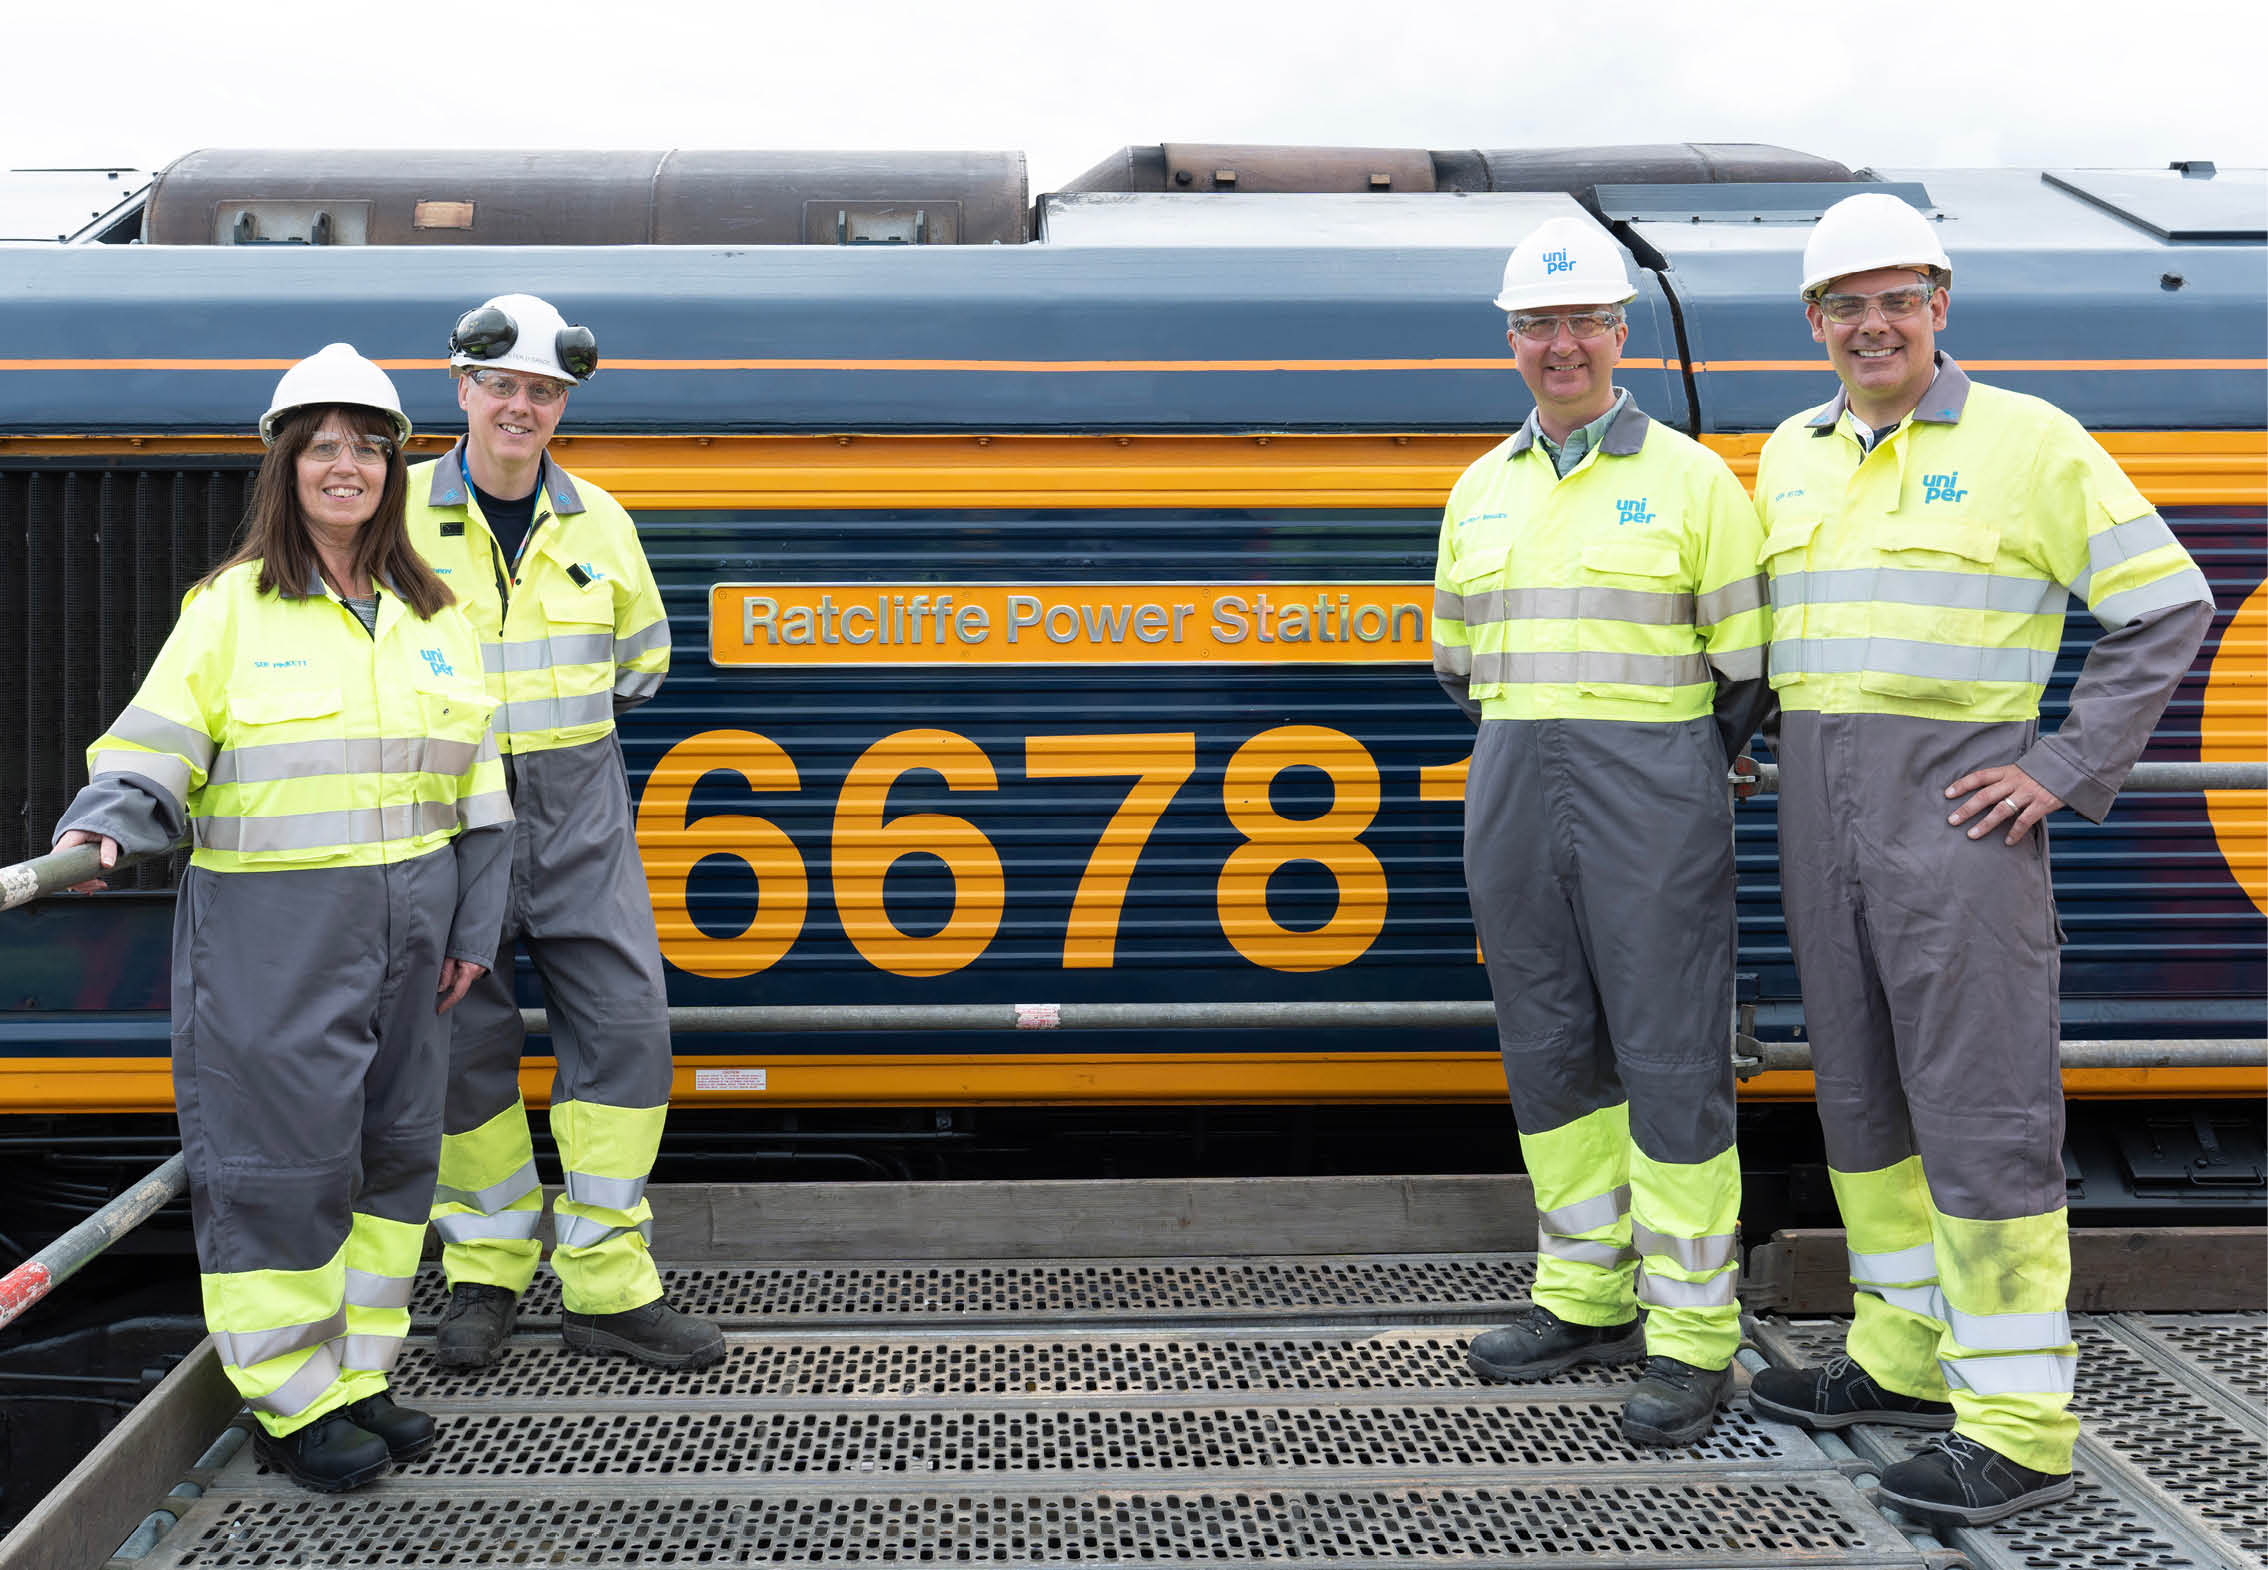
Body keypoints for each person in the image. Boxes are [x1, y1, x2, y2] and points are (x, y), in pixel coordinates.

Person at [1743, 193, 2215, 1529]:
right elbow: (1789, 630)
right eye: (1847, 303)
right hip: (1818, 814)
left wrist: (2062, 764)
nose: (1872, 323)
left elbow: (2166, 601)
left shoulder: (2030, 441)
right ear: (1815, 322)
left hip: (1955, 822)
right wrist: (1738, 729)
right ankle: (1901, 1354)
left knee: (1982, 1111)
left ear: (1940, 304)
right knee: (1864, 1099)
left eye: (1899, 297)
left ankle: (2017, 1420)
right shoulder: (1790, 453)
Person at [52, 345, 512, 1492]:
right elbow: (156, 742)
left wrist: (470, 931)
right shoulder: (233, 607)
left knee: (396, 1156)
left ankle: (358, 1375)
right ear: (287, 466)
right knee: (282, 1166)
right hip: (276, 934)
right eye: (323, 447)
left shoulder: (435, 616)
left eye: (367, 446)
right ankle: (286, 1401)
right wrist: (103, 826)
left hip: (414, 934)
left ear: (395, 468)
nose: (346, 466)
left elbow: (484, 799)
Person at [1436, 217, 1771, 1445]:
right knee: (1550, 1048)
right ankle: (1582, 1296)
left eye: (1582, 321)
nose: (1560, 344)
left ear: (1620, 332)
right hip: (1516, 777)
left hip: (1656, 791)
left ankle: (1691, 1339)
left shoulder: (1690, 480)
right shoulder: (1479, 488)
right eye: (1538, 324)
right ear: (1511, 341)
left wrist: (1675, 761)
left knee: (1674, 1060)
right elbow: (1459, 664)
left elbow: (1747, 666)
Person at [404, 293, 719, 1371]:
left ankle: (606, 1289)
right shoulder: (393, 516)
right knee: (461, 1054)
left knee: (628, 1035)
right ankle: (484, 1276)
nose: (522, 407)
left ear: (561, 407)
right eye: (503, 387)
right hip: (448, 827)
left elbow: (640, 667)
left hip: (580, 818)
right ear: (464, 389)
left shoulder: (604, 522)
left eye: (544, 392)